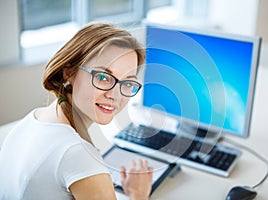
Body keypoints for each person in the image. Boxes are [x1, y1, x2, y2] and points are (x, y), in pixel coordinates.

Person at [0, 22, 153, 200]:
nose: (115, 95)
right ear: (69, 72)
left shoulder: (36, 117)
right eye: (103, 77)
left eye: (127, 83)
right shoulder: (80, 157)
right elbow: (75, 160)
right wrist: (138, 194)